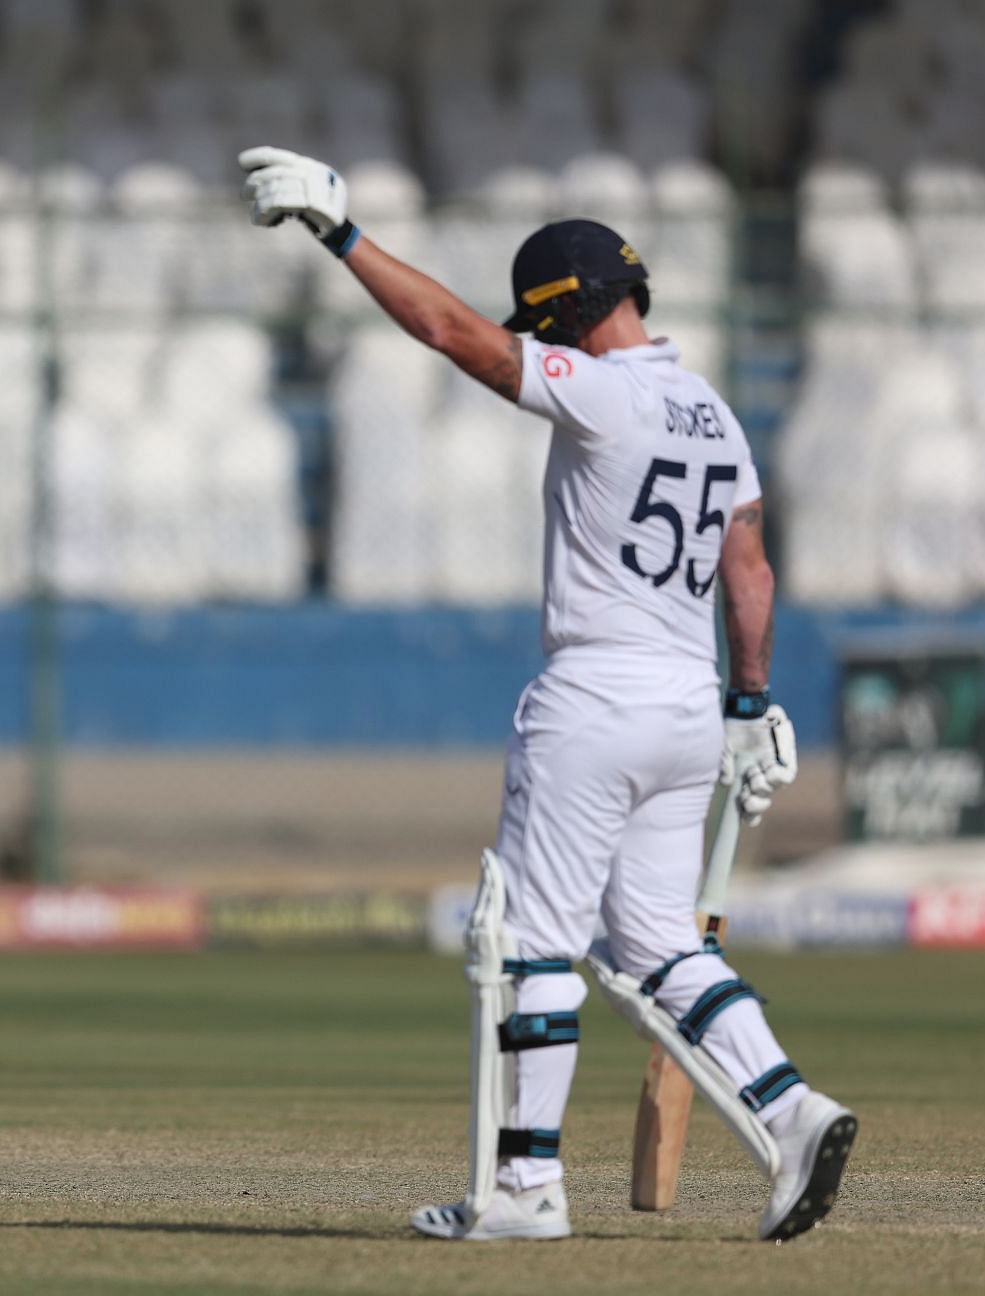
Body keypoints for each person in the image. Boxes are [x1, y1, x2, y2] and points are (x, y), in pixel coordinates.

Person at [239, 148, 854, 1242]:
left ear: (565, 314)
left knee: (527, 940)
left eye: (545, 323)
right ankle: (793, 1110)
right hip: (686, 703)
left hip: (597, 697)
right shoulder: (714, 409)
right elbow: (748, 565)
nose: (543, 341)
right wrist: (750, 705)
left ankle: (525, 1188)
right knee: (662, 946)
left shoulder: (604, 393)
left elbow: (453, 336)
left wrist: (343, 235)